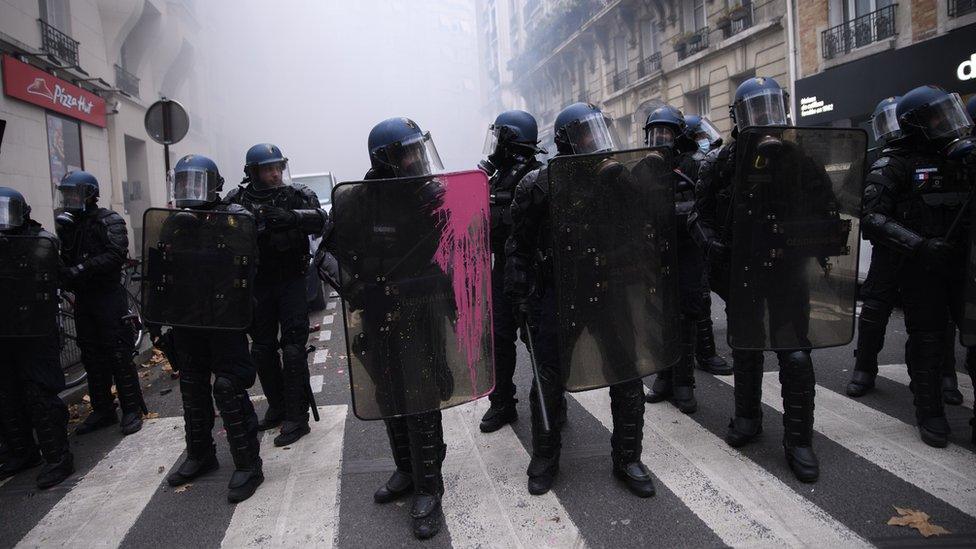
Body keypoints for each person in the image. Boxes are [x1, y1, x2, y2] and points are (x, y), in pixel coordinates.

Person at [506, 102, 657, 497]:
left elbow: (644, 228)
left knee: (626, 373)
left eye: (599, 130)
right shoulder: (539, 184)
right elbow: (517, 246)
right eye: (587, 133)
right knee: (548, 378)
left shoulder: (616, 178)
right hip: (558, 292)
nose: (597, 140)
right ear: (567, 141)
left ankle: (628, 456)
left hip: (607, 288)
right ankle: (545, 456)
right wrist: (519, 293)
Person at [689, 77, 830, 482]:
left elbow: (828, 209)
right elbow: (699, 215)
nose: (766, 119)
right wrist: (714, 246)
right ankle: (747, 418)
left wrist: (818, 238)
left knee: (796, 354)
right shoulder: (720, 162)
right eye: (756, 110)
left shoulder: (801, 159)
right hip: (743, 272)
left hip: (788, 271)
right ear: (738, 118)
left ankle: (799, 439)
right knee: (746, 349)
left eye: (772, 108)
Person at [322, 117, 452, 539]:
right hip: (377, 312)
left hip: (420, 310)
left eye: (418, 149)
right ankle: (404, 470)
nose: (416, 159)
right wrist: (357, 288)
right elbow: (327, 256)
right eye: (406, 152)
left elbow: (461, 248)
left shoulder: (431, 197)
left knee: (421, 395)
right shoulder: (355, 201)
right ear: (385, 159)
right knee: (388, 393)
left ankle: (429, 487)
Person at [861, 85, 976, 447]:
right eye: (937, 116)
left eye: (948, 112)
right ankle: (930, 414)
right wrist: (920, 246)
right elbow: (872, 218)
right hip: (920, 268)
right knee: (926, 341)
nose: (947, 121)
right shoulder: (894, 164)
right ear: (917, 124)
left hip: (963, 268)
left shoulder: (962, 159)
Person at [148, 154, 264, 503]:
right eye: (183, 183)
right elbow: (160, 268)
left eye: (196, 182)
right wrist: (156, 316)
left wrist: (208, 225)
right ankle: (201, 454)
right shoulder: (174, 222)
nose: (189, 190)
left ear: (215, 185)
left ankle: (248, 464)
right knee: (192, 385)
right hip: (188, 317)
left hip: (225, 318)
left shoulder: (235, 218)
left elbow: (246, 260)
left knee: (228, 387)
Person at [846, 97, 963, 404]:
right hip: (888, 249)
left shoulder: (940, 155)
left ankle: (946, 375)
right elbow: (852, 197)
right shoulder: (875, 158)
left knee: (940, 314)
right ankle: (865, 368)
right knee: (874, 308)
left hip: (929, 249)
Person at [225, 144, 327, 446]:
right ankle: (278, 405)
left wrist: (292, 217)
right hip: (257, 284)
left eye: (278, 167)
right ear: (253, 172)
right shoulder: (237, 199)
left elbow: (322, 220)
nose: (275, 174)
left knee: (293, 348)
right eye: (268, 169)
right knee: (262, 349)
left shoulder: (297, 195)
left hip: (291, 282)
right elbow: (221, 228)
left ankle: (297, 417)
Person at [55, 171, 147, 436]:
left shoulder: (109, 220)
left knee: (119, 354)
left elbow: (115, 254)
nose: (69, 199)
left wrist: (81, 269)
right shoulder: (70, 226)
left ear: (89, 194)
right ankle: (103, 408)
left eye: (73, 193)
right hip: (85, 300)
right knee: (91, 357)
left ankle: (131, 408)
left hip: (109, 297)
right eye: (66, 194)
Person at [0, 186, 74, 488]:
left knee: (39, 394)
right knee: (6, 394)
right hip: (5, 331)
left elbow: (57, 276)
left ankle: (58, 457)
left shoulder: (41, 241)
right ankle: (22, 451)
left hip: (34, 331)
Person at [478, 110, 545, 433]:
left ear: (510, 142)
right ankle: (502, 402)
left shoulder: (538, 176)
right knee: (499, 340)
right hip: (502, 270)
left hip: (535, 271)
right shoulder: (492, 179)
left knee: (539, 341)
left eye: (499, 138)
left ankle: (550, 401)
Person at [644, 105, 709, 413]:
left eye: (665, 132)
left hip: (686, 253)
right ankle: (663, 377)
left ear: (679, 135)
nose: (659, 138)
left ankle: (684, 383)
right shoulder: (646, 166)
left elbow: (703, 207)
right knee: (658, 317)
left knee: (684, 319)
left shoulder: (695, 165)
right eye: (654, 132)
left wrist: (668, 215)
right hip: (657, 255)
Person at [681, 115, 731, 375]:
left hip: (709, 236)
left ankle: (708, 351)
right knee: (699, 298)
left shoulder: (713, 162)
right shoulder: (690, 163)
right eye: (700, 136)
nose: (705, 140)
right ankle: (705, 353)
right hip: (691, 239)